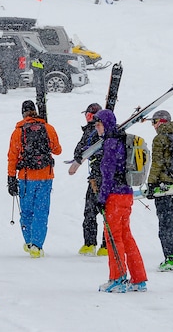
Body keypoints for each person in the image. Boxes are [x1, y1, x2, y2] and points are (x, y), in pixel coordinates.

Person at [92, 109, 148, 293]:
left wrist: (101, 198)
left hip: (114, 197)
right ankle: (139, 279)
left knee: (113, 237)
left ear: (106, 124)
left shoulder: (110, 144)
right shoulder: (122, 140)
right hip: (126, 194)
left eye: (98, 124)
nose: (97, 128)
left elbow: (108, 175)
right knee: (126, 236)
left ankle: (117, 278)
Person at [7, 100, 62, 258]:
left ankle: (29, 241)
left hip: (26, 177)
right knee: (41, 212)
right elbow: (57, 150)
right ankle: (37, 246)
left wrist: (11, 177)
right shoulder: (48, 128)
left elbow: (12, 157)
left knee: (26, 211)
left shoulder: (18, 132)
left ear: (23, 113)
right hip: (45, 177)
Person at [146, 109, 173, 272]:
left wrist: (150, 184)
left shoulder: (160, 138)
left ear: (161, 122)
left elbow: (157, 163)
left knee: (165, 222)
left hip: (163, 186)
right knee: (170, 219)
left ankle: (172, 258)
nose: (153, 126)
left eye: (154, 122)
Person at [68, 103, 108, 257]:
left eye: (90, 116)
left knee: (92, 210)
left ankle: (93, 244)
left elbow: (79, 150)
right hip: (104, 177)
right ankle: (101, 245)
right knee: (102, 211)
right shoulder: (102, 130)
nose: (89, 119)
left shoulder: (93, 131)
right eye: (87, 116)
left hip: (99, 177)